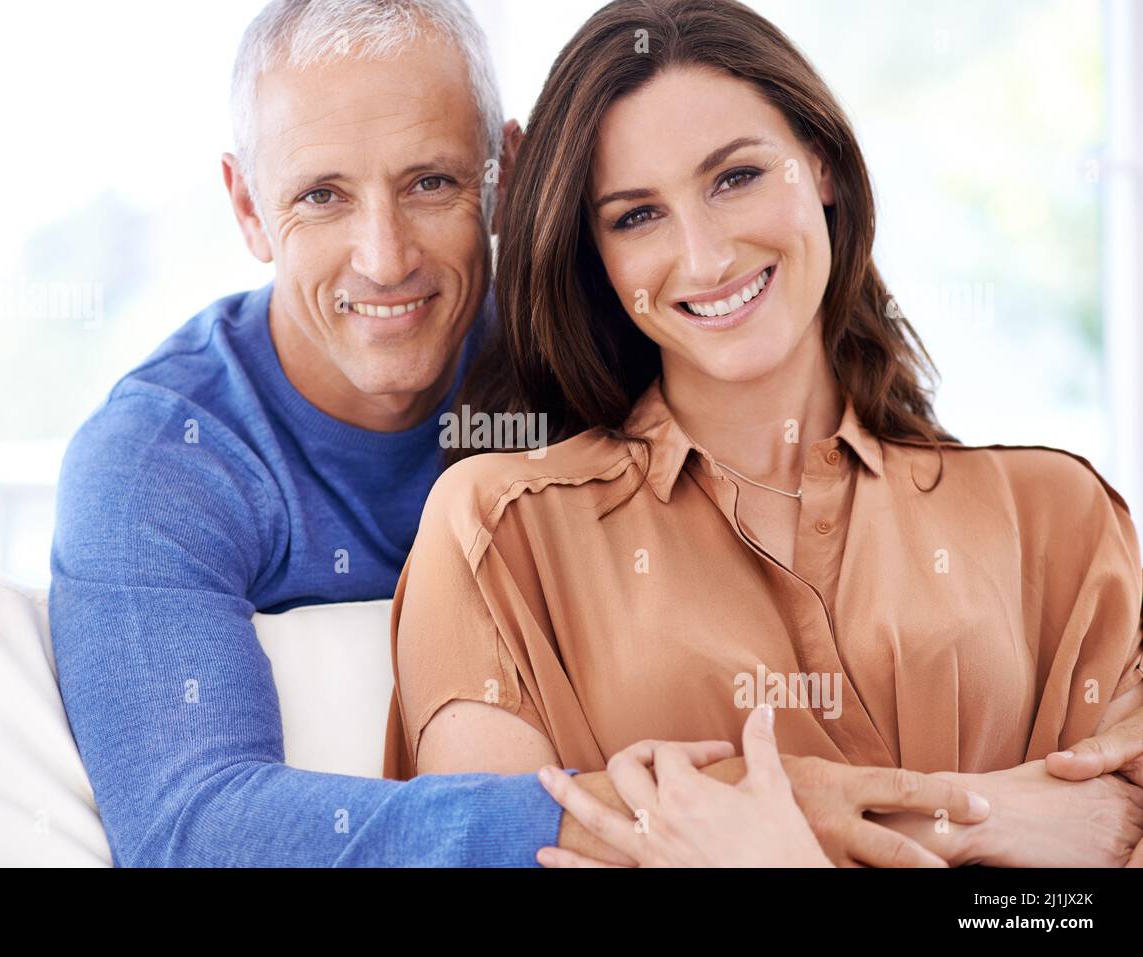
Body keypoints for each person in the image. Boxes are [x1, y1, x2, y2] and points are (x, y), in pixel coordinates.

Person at [50, 0, 965, 868]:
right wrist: (681, 809)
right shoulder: (159, 462)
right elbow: (194, 830)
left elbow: (890, 506)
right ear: (248, 207)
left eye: (432, 182)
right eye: (322, 196)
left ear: (508, 173)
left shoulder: (600, 338)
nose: (385, 256)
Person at [383, 0, 1143, 867]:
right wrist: (995, 821)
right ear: (595, 256)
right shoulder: (498, 533)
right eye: (637, 215)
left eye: (736, 177)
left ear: (819, 162)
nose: (705, 258)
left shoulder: (1058, 516)